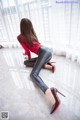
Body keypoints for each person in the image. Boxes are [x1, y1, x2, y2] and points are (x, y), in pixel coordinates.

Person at [17, 18, 65, 114]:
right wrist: (30, 60)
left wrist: (28, 57)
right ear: (30, 26)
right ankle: (48, 66)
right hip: (47, 52)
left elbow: (27, 51)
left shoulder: (20, 37)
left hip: (43, 53)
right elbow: (36, 47)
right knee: (26, 63)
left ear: (21, 26)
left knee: (33, 74)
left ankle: (52, 95)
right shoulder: (32, 34)